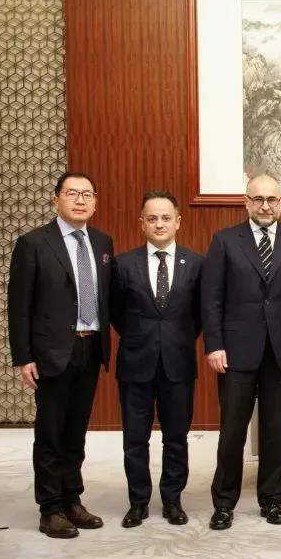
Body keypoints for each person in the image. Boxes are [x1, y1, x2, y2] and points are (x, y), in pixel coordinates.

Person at [202, 174, 281, 530]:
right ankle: (224, 502)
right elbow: (212, 299)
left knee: (275, 430)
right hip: (236, 352)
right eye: (258, 199)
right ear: (246, 202)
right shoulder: (224, 241)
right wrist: (214, 345)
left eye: (272, 199)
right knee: (232, 432)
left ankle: (272, 499)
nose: (265, 206)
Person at [8, 171, 113, 538]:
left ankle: (72, 499)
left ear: (95, 202)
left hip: (90, 346)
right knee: (51, 433)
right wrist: (23, 357)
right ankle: (50, 508)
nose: (80, 200)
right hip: (51, 352)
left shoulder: (102, 242)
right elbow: (19, 305)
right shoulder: (33, 243)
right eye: (72, 193)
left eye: (87, 194)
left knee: (76, 431)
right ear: (56, 200)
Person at [110, 190, 202, 528]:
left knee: (176, 438)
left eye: (165, 218)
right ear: (142, 224)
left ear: (178, 222)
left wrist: (174, 340)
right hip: (135, 364)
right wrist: (143, 338)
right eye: (152, 218)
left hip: (178, 363)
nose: (159, 224)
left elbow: (199, 316)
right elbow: (116, 313)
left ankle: (172, 500)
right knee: (135, 439)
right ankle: (138, 502)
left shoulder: (196, 263)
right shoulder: (123, 264)